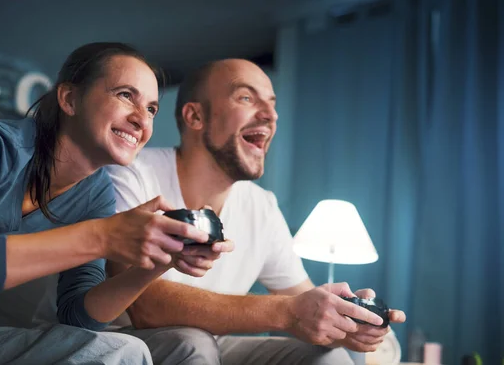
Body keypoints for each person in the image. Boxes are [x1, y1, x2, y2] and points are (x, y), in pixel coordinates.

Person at [0, 42, 229, 365]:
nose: (141, 120)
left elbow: (78, 317)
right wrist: (101, 236)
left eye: (152, 109)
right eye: (125, 95)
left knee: (125, 350)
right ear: (70, 99)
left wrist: (156, 263)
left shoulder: (96, 193)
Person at [99, 59, 407, 365]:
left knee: (329, 357)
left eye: (272, 104)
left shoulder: (262, 206)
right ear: (195, 116)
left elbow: (305, 305)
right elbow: (144, 306)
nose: (271, 115)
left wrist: (349, 322)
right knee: (192, 343)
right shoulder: (131, 176)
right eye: (246, 98)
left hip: (215, 347)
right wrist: (286, 312)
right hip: (129, 342)